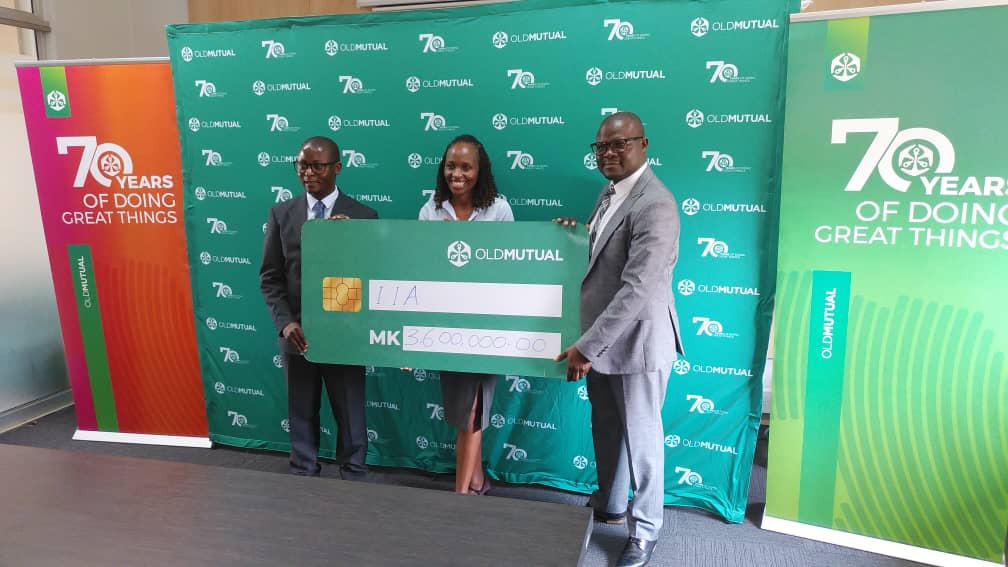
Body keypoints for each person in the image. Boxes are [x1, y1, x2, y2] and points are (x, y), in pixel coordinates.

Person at [555, 112, 684, 567]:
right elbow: (601, 261)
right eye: (601, 147)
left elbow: (637, 288)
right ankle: (611, 504)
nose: (608, 153)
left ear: (643, 145)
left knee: (643, 442)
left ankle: (645, 532)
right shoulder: (610, 193)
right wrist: (576, 237)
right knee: (607, 428)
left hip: (638, 344)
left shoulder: (656, 204)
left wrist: (587, 347)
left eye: (619, 144)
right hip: (604, 342)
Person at [260, 135, 378, 479]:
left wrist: (350, 242)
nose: (308, 173)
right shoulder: (281, 214)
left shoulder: (364, 217)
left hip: (345, 336)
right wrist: (286, 324)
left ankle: (353, 475)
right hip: (298, 335)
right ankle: (304, 474)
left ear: (337, 168)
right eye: (302, 165)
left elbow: (372, 276)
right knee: (301, 413)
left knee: (351, 414)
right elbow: (270, 277)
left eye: (317, 166)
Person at [419, 134, 514, 495]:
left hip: (486, 323)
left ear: (480, 171)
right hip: (446, 321)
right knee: (463, 409)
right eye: (450, 166)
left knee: (473, 408)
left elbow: (510, 268)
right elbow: (421, 269)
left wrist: (465, 242)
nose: (456, 174)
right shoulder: (430, 210)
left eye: (466, 167)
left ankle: (462, 497)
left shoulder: (499, 210)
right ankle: (477, 479)